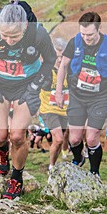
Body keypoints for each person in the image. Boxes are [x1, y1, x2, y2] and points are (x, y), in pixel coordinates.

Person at [0, 0, 56, 199]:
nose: (9, 41)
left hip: (26, 85)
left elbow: (50, 59)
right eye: (5, 35)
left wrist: (35, 85)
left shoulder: (38, 33)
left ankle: (16, 179)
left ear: (24, 27)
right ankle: (1, 150)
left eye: (15, 36)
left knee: (17, 136)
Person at [56, 12, 107, 179]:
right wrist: (59, 91)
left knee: (92, 137)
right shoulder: (74, 42)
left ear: (99, 29)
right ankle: (78, 158)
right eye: (83, 34)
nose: (86, 38)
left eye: (90, 34)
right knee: (73, 139)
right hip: (77, 96)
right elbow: (63, 67)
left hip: (100, 97)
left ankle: (94, 172)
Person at [38, 37, 70, 167]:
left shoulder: (70, 70)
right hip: (48, 110)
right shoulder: (44, 70)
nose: (59, 60)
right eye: (56, 56)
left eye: (62, 56)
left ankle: (57, 160)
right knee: (58, 138)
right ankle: (51, 167)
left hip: (65, 110)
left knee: (60, 140)